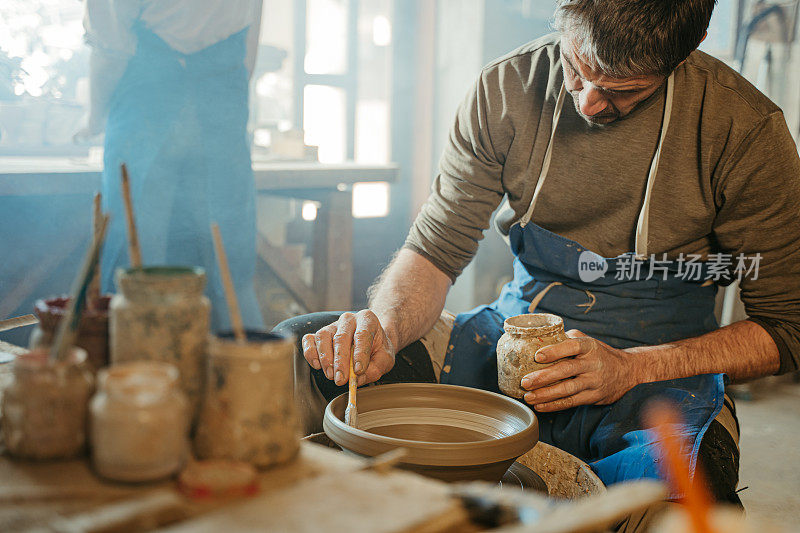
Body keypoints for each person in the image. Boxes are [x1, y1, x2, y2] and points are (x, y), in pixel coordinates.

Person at [277, 0, 800, 527]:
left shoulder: (744, 128)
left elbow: (789, 327)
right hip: (514, 331)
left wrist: (635, 367)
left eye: (623, 91)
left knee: (687, 511)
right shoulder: (505, 88)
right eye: (576, 69)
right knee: (300, 354)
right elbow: (436, 248)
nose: (590, 104)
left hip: (658, 369)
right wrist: (383, 332)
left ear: (688, 48)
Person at [80, 0, 265, 332]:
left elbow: (111, 52)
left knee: (135, 265)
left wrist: (93, 118)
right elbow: (249, 51)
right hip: (222, 101)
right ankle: (245, 370)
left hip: (146, 108)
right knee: (229, 266)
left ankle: (139, 372)